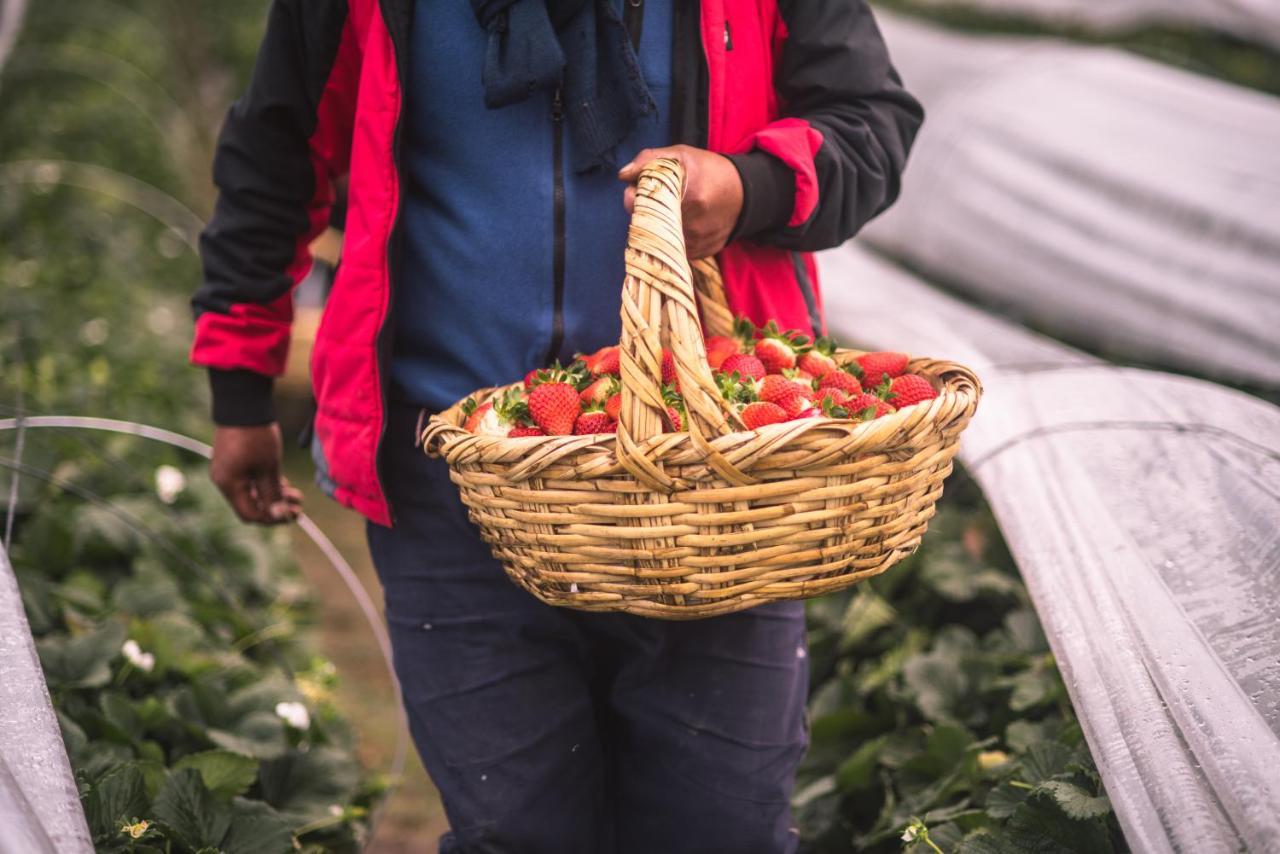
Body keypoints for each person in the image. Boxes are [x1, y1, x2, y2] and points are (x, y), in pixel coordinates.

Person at [192, 1, 921, 850]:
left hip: (707, 492)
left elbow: (873, 124)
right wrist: (241, 386)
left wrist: (746, 184)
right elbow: (276, 150)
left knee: (720, 825)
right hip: (456, 480)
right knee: (518, 827)